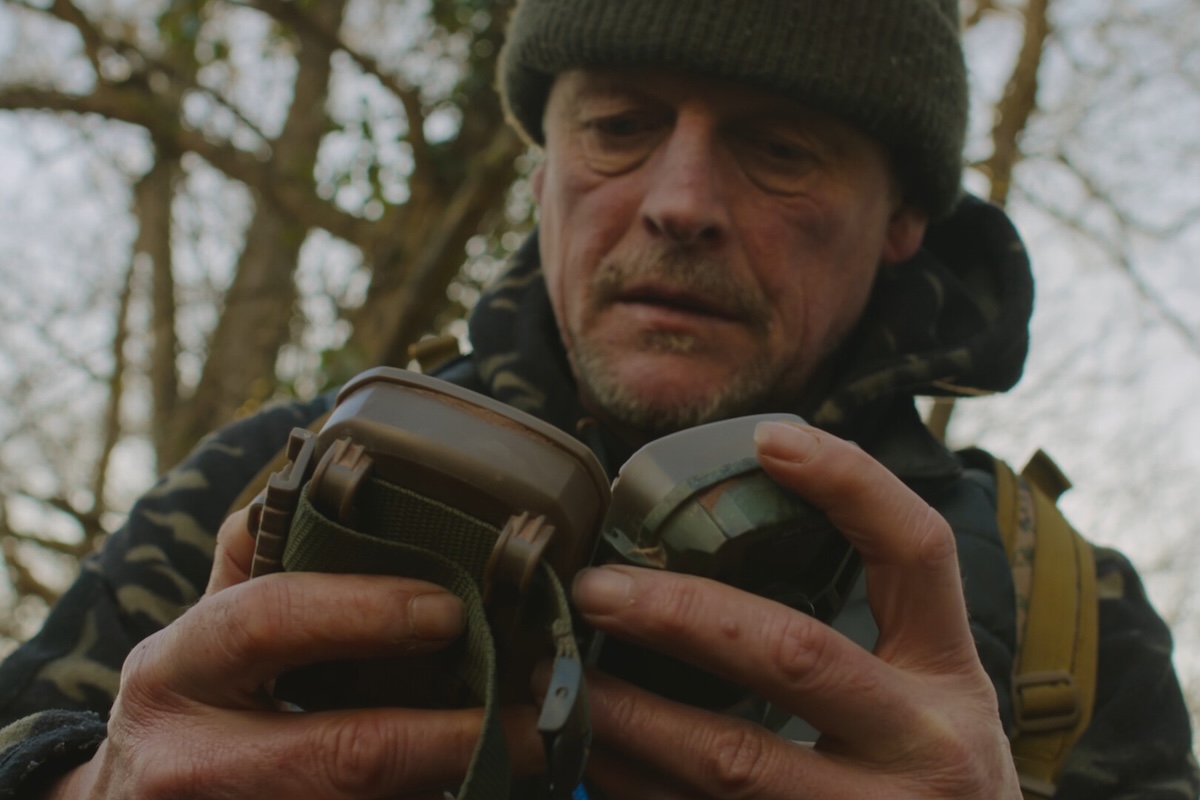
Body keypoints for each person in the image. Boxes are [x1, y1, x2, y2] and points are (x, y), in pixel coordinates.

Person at [1, 0, 1195, 797]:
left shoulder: (1059, 613)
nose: (680, 201)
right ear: (544, 169)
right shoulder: (271, 481)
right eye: (621, 126)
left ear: (904, 221)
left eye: (779, 148)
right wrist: (89, 782)